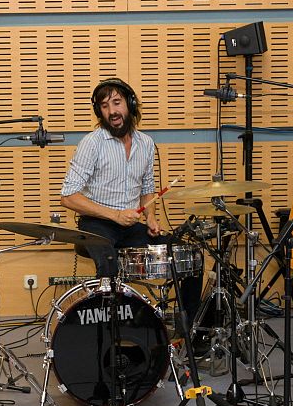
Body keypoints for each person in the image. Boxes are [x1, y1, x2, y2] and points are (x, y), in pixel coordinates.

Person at [60, 78, 201, 324]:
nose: (112, 111)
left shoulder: (145, 144)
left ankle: (190, 330)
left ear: (131, 104)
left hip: (131, 225)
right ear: (99, 112)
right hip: (97, 224)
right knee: (109, 266)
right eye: (104, 106)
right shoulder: (91, 144)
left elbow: (148, 189)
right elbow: (68, 196)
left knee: (187, 255)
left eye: (117, 103)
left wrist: (151, 218)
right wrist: (114, 215)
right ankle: (111, 332)